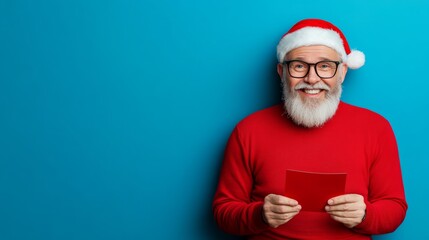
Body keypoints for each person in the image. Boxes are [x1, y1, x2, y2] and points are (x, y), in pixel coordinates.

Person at [212, 19, 407, 239]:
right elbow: (223, 212)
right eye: (299, 66)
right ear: (282, 71)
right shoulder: (248, 130)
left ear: (342, 72)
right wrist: (259, 215)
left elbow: (395, 208)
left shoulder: (375, 128)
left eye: (324, 66)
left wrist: (365, 215)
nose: (311, 79)